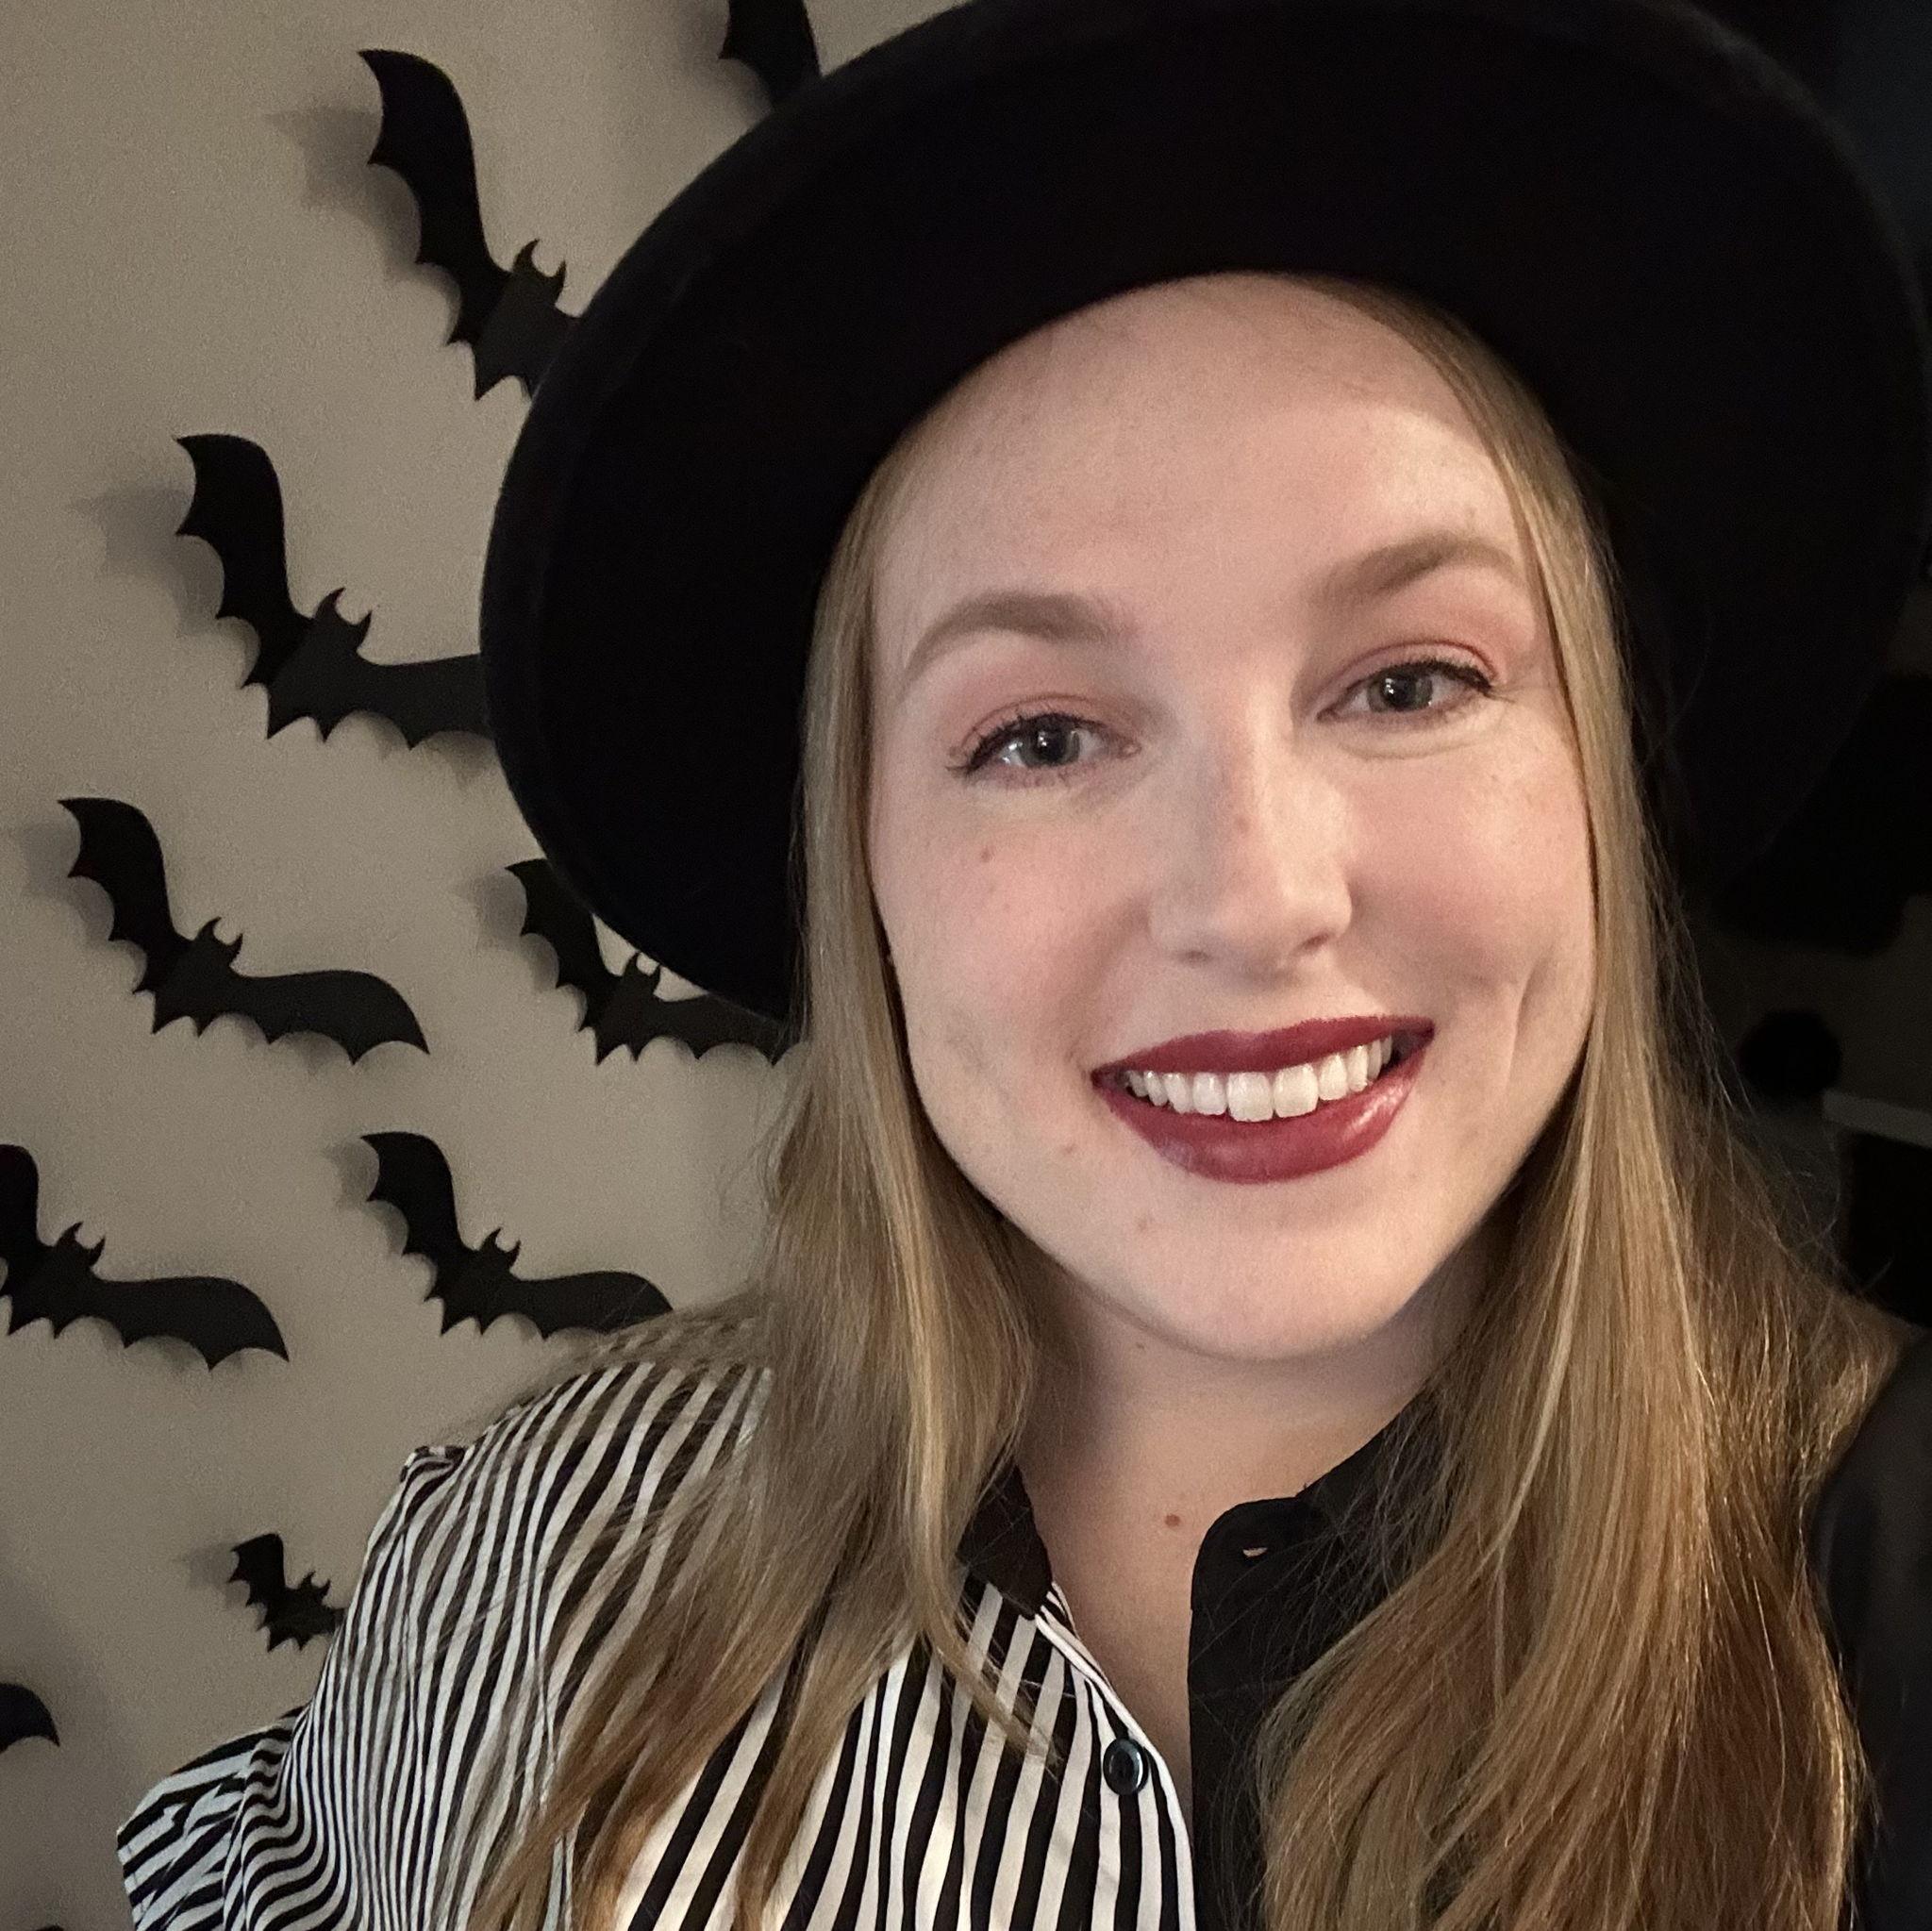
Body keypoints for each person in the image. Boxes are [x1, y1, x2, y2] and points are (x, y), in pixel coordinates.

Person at [118, 2, 1932, 1928]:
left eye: (1411, 682)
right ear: (865, 870)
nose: (1256, 898)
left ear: (1598, 787)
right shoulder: (527, 1554)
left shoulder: (1880, 1616)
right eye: (1041, 734)